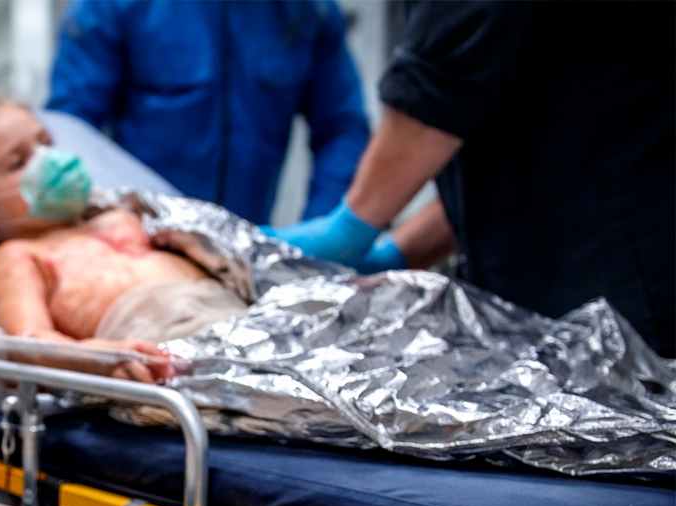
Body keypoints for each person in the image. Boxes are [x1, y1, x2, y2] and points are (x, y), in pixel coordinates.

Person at [275, 1, 675, 358]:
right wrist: (401, 251)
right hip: (584, 258)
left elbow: (443, 75)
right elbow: (519, 161)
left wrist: (351, 225)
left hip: (626, 284)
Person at [0, 100, 268, 384]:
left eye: (45, 143)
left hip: (255, 327)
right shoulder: (21, 257)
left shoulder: (123, 216)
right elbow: (28, 345)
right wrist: (101, 360)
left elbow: (229, 260)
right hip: (167, 354)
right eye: (19, 161)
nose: (49, 160)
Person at [47, 0, 369, 225]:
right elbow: (71, 131)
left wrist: (325, 230)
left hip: (248, 250)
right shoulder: (110, 6)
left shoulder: (309, 10)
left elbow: (341, 128)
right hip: (140, 249)